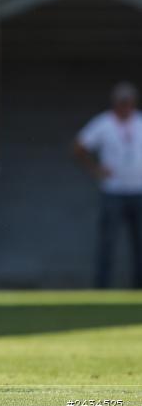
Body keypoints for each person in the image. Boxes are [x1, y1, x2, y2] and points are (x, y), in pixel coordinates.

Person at [74, 81, 142, 288]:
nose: (126, 107)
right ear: (115, 103)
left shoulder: (139, 122)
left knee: (139, 243)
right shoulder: (103, 123)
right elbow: (79, 146)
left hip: (138, 191)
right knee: (108, 242)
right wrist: (95, 169)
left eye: (129, 103)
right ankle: (102, 287)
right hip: (113, 192)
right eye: (122, 103)